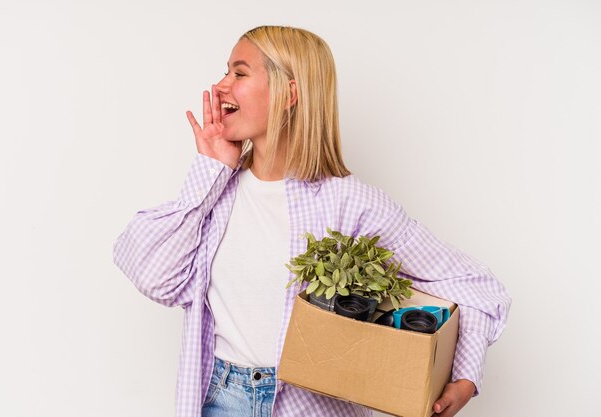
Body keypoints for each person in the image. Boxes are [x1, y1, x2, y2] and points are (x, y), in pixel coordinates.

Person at [113, 25, 511, 417]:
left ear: (290, 93)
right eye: (225, 71)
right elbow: (154, 277)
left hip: (311, 407)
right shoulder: (217, 192)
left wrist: (465, 377)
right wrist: (210, 170)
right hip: (222, 399)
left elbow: (478, 288)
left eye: (239, 72)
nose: (220, 85)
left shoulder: (350, 202)